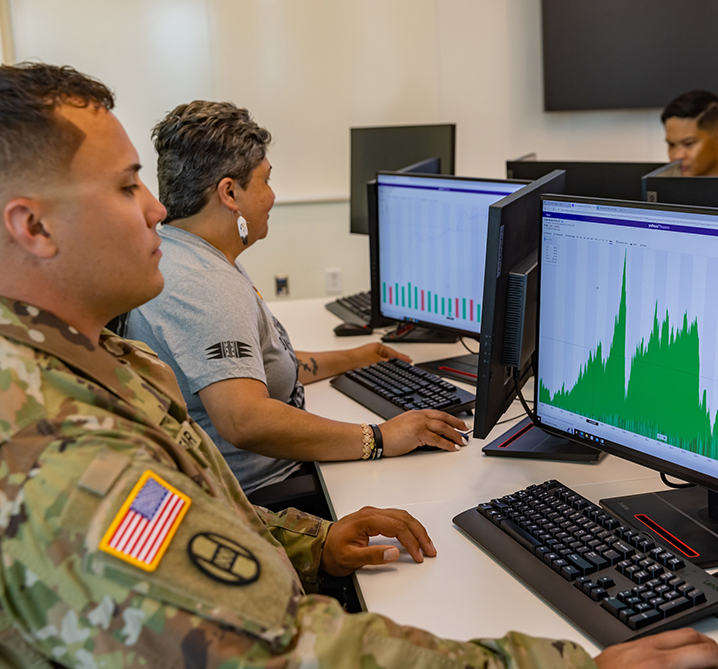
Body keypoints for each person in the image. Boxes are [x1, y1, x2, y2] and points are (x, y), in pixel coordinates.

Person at [0, 63, 718, 669]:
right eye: (125, 187)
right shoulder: (52, 457)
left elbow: (194, 520)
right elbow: (281, 652)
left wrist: (311, 542)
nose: (153, 207)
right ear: (33, 225)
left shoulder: (84, 360)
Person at [123, 100, 466, 495]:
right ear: (230, 193)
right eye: (265, 181)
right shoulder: (205, 285)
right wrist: (379, 438)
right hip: (264, 496)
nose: (271, 197)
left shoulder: (186, 251)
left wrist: (356, 358)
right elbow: (246, 419)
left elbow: (257, 369)